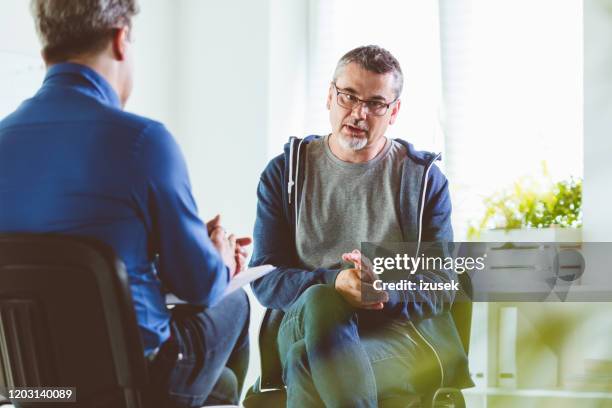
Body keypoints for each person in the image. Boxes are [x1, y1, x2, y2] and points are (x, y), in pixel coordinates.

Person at [0, 1, 250, 406]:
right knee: (233, 301)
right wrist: (218, 254)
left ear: (48, 48)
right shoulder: (143, 142)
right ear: (121, 39)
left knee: (218, 384)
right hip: (131, 382)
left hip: (34, 388)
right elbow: (200, 286)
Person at [250, 45, 473, 407]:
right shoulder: (286, 173)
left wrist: (381, 290)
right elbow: (265, 276)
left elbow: (442, 283)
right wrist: (333, 281)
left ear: (394, 111)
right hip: (301, 321)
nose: (358, 113)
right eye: (348, 96)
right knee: (323, 300)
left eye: (375, 103)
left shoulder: (423, 180)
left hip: (393, 336)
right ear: (329, 96)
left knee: (306, 362)